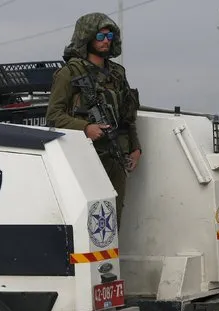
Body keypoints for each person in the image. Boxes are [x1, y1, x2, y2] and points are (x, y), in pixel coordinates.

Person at [46, 12, 142, 227]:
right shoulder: (69, 73)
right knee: (93, 221)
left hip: (116, 156)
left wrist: (136, 148)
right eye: (100, 36)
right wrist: (85, 127)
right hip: (85, 156)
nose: (105, 41)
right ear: (86, 37)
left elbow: (127, 114)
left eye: (109, 36)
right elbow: (53, 116)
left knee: (114, 218)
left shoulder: (117, 73)